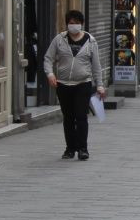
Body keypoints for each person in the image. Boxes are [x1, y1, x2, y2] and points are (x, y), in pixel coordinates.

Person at [43, 9, 106, 161]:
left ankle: (83, 149)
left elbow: (96, 65)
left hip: (83, 83)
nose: (74, 26)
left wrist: (100, 85)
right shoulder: (59, 39)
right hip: (63, 85)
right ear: (67, 24)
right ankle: (70, 148)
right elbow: (48, 58)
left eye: (77, 23)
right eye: (71, 23)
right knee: (68, 118)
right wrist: (50, 74)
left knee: (81, 116)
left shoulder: (91, 41)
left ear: (82, 24)